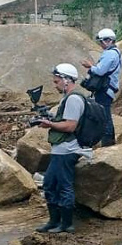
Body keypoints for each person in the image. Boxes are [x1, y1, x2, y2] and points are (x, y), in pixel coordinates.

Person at [34, 63, 91, 234]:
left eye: (57, 81)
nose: (55, 84)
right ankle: (54, 221)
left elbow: (70, 126)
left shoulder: (73, 99)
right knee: (50, 184)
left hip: (67, 150)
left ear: (66, 80)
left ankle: (66, 224)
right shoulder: (69, 97)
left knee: (63, 185)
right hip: (61, 149)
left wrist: (49, 123)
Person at [81, 28, 122, 146]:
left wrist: (90, 66)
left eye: (101, 41)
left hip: (105, 89)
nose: (101, 44)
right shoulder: (117, 52)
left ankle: (107, 141)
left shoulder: (110, 54)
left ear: (108, 40)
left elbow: (100, 71)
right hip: (109, 88)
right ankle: (108, 139)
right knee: (105, 114)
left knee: (104, 115)